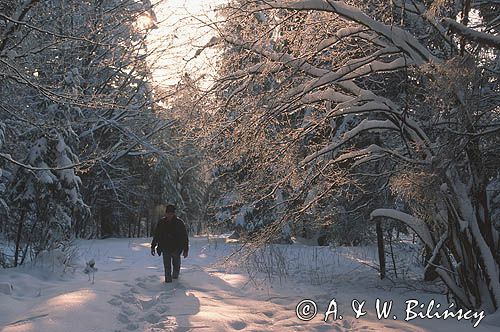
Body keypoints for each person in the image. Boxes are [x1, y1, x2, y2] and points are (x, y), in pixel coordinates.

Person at [151, 204, 189, 283]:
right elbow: (157, 235)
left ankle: (175, 281)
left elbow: (184, 237)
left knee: (176, 267)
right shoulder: (161, 222)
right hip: (165, 248)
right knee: (167, 267)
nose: (169, 215)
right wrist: (153, 246)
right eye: (168, 213)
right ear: (166, 213)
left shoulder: (179, 223)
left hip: (177, 248)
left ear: (174, 213)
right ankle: (168, 283)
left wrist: (186, 250)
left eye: (171, 213)